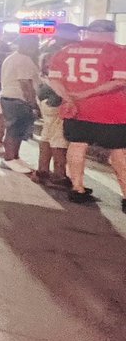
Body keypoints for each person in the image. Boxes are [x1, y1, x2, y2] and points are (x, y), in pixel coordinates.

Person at [47, 19, 126, 207]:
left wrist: (69, 98)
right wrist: (86, 94)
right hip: (111, 112)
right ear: (111, 33)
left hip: (76, 111)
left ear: (89, 32)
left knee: (77, 145)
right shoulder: (117, 51)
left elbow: (53, 79)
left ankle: (77, 188)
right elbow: (120, 81)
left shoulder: (66, 51)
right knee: (118, 151)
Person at [31, 23, 82, 187]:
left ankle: (42, 171)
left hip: (46, 97)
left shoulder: (48, 49)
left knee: (47, 134)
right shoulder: (63, 53)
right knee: (59, 138)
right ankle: (59, 174)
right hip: (57, 98)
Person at [0, 35, 40, 173]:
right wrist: (33, 103)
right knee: (14, 130)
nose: (36, 48)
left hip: (9, 97)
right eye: (35, 44)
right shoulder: (24, 60)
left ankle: (14, 157)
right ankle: (9, 158)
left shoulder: (12, 58)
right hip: (18, 99)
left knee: (17, 130)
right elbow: (25, 84)